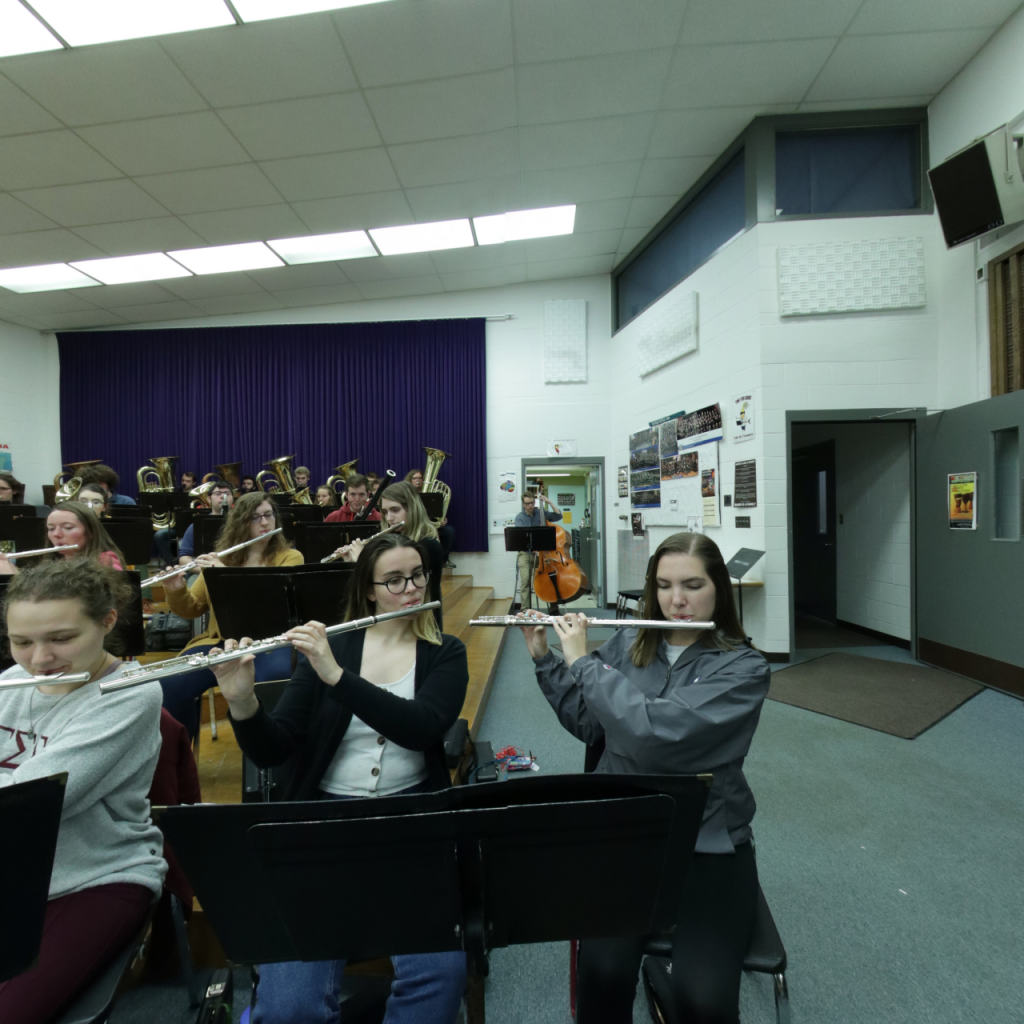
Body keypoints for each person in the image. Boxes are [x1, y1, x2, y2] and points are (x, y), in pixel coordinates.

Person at [212, 533, 468, 1024]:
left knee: (439, 979)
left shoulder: (445, 653)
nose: (411, 589)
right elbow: (274, 749)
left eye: (418, 576)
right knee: (288, 1008)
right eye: (394, 580)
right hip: (321, 830)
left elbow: (420, 728)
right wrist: (242, 701)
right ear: (369, 589)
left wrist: (337, 676)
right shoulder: (334, 647)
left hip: (413, 828)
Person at [519, 532, 770, 1024]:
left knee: (704, 1001)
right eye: (664, 585)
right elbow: (590, 723)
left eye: (693, 585)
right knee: (602, 975)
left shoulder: (745, 669)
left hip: (707, 842)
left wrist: (583, 662)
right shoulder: (629, 643)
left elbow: (656, 735)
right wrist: (545, 658)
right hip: (628, 834)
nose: (677, 600)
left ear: (718, 588)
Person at [0, 559, 165, 1021]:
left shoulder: (132, 694)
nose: (39, 660)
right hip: (12, 872)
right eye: (21, 642)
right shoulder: (11, 682)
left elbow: (28, 804)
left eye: (61, 638)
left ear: (107, 621)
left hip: (95, 877)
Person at [160, 492, 303, 737]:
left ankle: (267, 749)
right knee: (170, 683)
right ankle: (181, 753)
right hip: (221, 643)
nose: (264, 523)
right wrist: (176, 589)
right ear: (241, 523)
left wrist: (224, 575)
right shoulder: (223, 559)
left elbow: (270, 604)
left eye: (268, 515)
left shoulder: (289, 557)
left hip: (270, 642)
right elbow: (191, 608)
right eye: (255, 517)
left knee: (274, 678)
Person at [513, 490, 562, 610]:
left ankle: (553, 609)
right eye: (527, 504)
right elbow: (522, 538)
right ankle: (525, 610)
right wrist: (533, 548)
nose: (530, 506)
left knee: (549, 579)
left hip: (542, 554)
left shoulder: (541, 513)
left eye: (532, 503)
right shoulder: (519, 518)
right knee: (525, 581)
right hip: (526, 554)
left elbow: (558, 516)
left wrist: (549, 502)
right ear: (523, 504)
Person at [405, 468, 456, 567]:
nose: (418, 480)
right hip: (415, 526)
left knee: (449, 531)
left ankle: (443, 560)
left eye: (420, 478)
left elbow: (436, 513)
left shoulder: (431, 493)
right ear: (410, 480)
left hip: (431, 525)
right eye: (415, 478)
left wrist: (442, 520)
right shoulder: (407, 494)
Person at [176, 479, 234, 564]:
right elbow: (184, 558)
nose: (223, 496)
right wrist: (202, 569)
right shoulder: (197, 525)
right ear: (209, 499)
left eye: (227, 494)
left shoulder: (241, 524)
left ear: (233, 498)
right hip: (204, 568)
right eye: (218, 494)